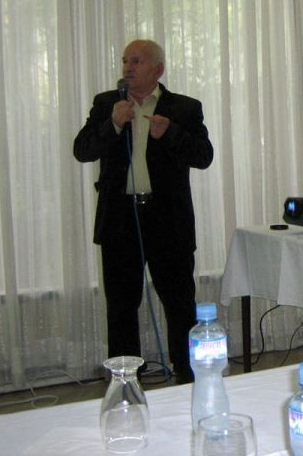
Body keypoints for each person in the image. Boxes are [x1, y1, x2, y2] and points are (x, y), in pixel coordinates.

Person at [74, 39, 214, 384]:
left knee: (180, 305)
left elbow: (203, 156)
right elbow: (83, 150)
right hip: (121, 220)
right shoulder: (107, 104)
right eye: (125, 61)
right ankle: (125, 383)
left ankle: (187, 378)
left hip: (169, 221)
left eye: (136, 61)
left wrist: (171, 133)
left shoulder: (184, 107)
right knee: (121, 307)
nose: (128, 68)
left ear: (158, 69)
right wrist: (113, 124)